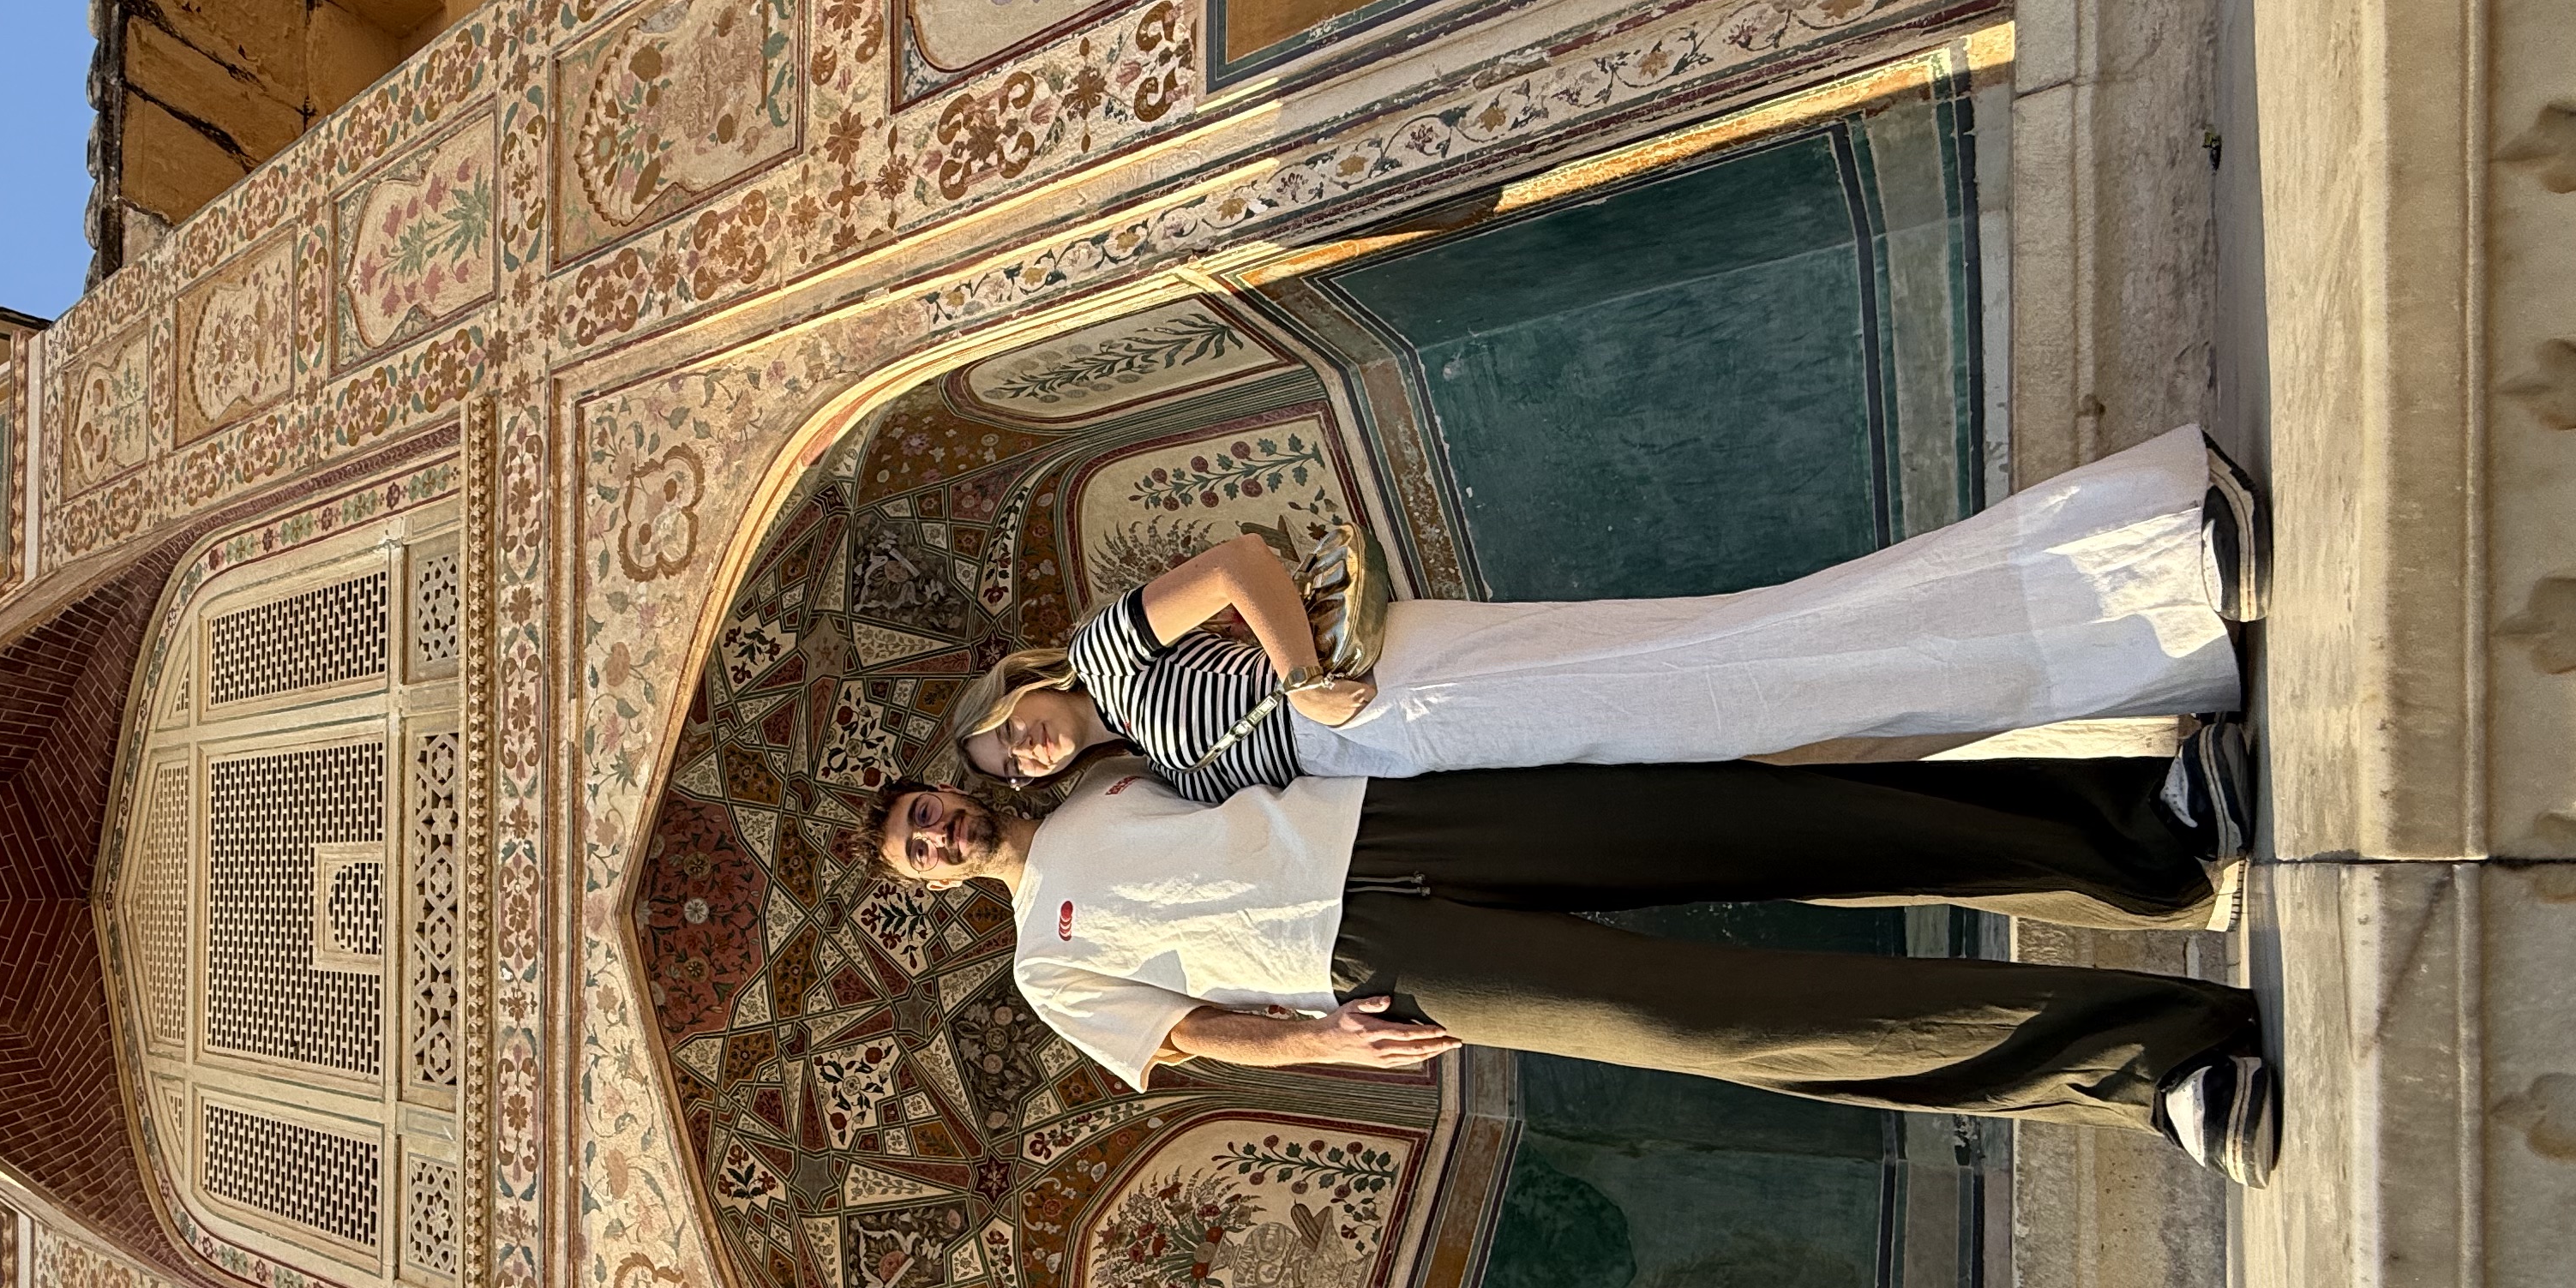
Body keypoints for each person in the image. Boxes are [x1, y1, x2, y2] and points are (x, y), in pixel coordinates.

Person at [862, 728, 2281, 1183]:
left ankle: (2149, 831)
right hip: (1372, 956)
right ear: (937, 884)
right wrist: (1318, 1042)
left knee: (1747, 821)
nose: (938, 833)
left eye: (928, 808)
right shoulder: (1046, 966)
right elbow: (1186, 1038)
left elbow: (1203, 695)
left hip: (1405, 813)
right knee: (1712, 1026)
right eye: (922, 850)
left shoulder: (1101, 776)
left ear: (956, 779)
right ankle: (2159, 1063)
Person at [957, 427, 2267, 803]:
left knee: (1736, 662)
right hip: (1408, 742)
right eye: (1005, 770)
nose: (1021, 752)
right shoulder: (1136, 769)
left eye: (1001, 731)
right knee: (1744, 702)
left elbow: (1245, 560)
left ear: (1019, 693)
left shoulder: (1105, 650)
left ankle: (2159, 563)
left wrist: (1300, 679)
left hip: (1395, 677)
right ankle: (2144, 638)